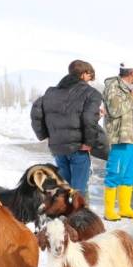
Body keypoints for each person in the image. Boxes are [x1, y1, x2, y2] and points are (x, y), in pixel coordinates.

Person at [31, 60, 103, 197]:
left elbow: (36, 113)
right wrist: (89, 143)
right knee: (78, 191)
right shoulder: (91, 93)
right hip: (79, 148)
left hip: (58, 148)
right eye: (89, 76)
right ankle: (78, 217)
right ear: (83, 74)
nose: (90, 80)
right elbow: (88, 118)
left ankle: (64, 215)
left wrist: (45, 135)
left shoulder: (51, 92)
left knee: (63, 188)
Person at [101, 63, 133, 221]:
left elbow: (129, 110)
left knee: (130, 173)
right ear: (132, 71)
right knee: (115, 172)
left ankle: (125, 208)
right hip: (121, 137)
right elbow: (114, 110)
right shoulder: (113, 86)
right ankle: (109, 210)